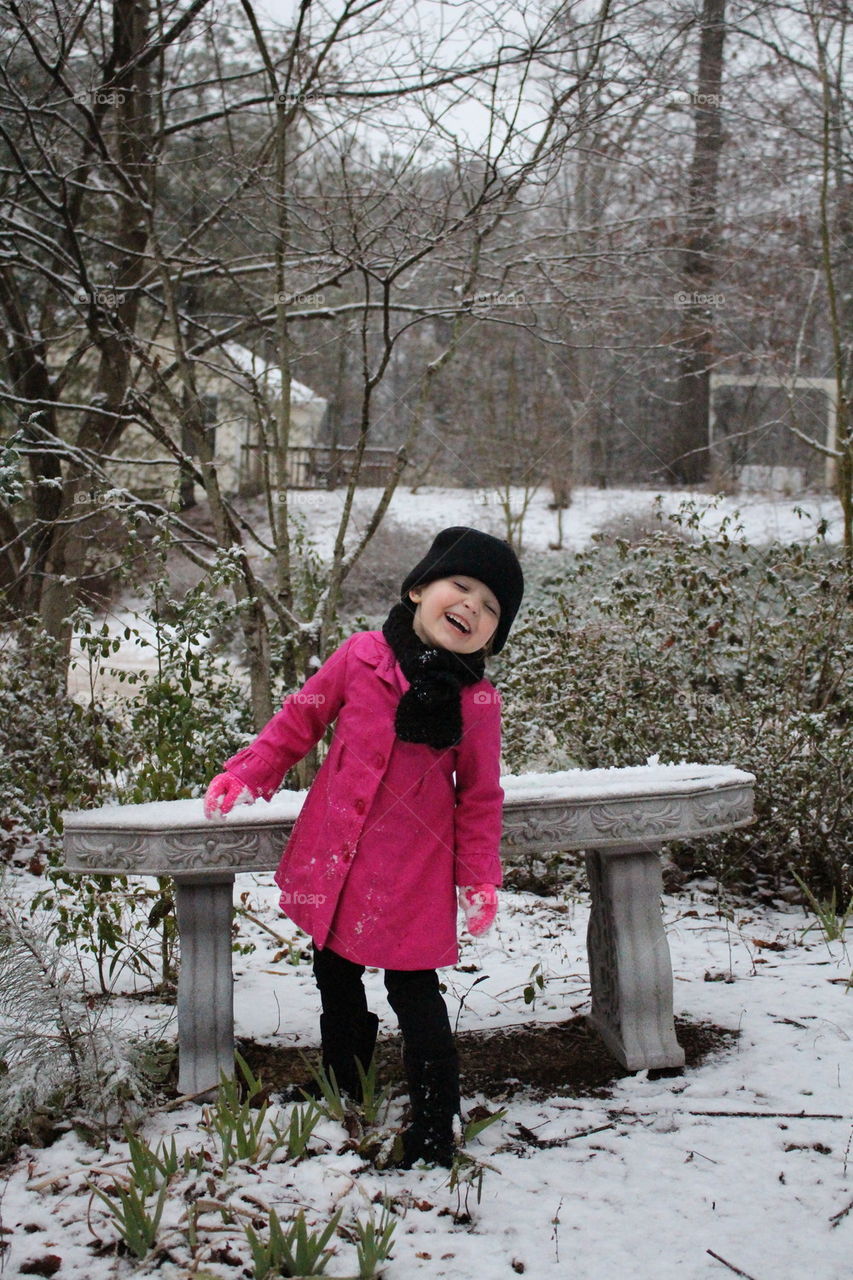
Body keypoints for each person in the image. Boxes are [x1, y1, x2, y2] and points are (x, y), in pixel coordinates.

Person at [203, 526, 524, 1167]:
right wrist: (248, 771)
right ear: (418, 589)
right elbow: (301, 718)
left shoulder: (477, 702)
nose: (471, 607)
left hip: (412, 871)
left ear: (494, 635)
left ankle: (436, 1121)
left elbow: (481, 797)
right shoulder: (359, 656)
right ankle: (344, 1084)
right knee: (333, 971)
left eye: (491, 607)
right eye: (460, 587)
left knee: (414, 990)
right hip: (336, 854)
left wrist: (478, 876)